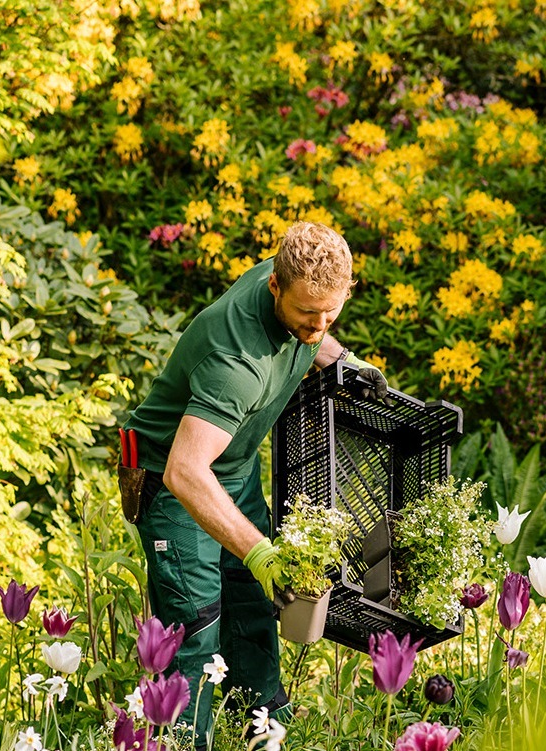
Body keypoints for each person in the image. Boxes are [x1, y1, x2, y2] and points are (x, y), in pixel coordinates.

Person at [121, 221, 387, 745]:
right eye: (307, 313)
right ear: (274, 288)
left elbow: (313, 325)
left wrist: (340, 358)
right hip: (176, 483)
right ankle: (183, 743)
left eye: (331, 311)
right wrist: (261, 553)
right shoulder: (235, 363)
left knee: (255, 611)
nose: (319, 323)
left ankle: (266, 736)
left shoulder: (297, 271)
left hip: (234, 471)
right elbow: (185, 471)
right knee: (194, 634)